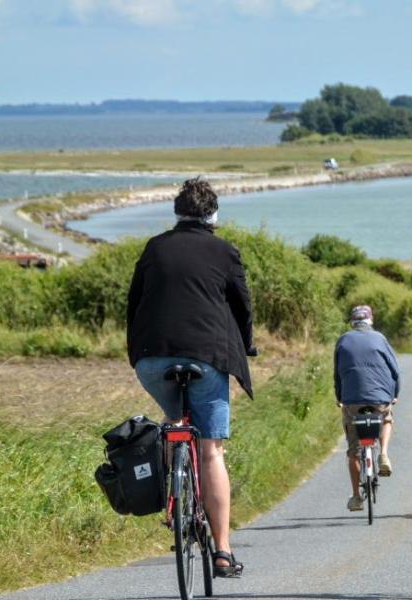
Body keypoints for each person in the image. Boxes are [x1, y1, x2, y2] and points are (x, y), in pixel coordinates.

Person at [126, 177, 254, 578]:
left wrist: (141, 349)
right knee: (211, 449)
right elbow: (242, 306)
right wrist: (247, 345)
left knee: (174, 418)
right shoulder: (224, 251)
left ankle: (173, 493)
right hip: (208, 357)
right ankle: (222, 551)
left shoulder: (154, 247)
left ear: (177, 214)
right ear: (213, 215)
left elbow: (134, 304)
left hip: (152, 358)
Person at [333, 305, 400, 512]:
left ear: (352, 322)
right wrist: (394, 395)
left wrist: (340, 397)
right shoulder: (380, 338)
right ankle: (384, 454)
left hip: (351, 400)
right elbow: (395, 371)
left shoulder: (343, 340)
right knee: (386, 418)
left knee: (353, 451)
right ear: (370, 320)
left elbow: (337, 374)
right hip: (380, 397)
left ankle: (355, 497)